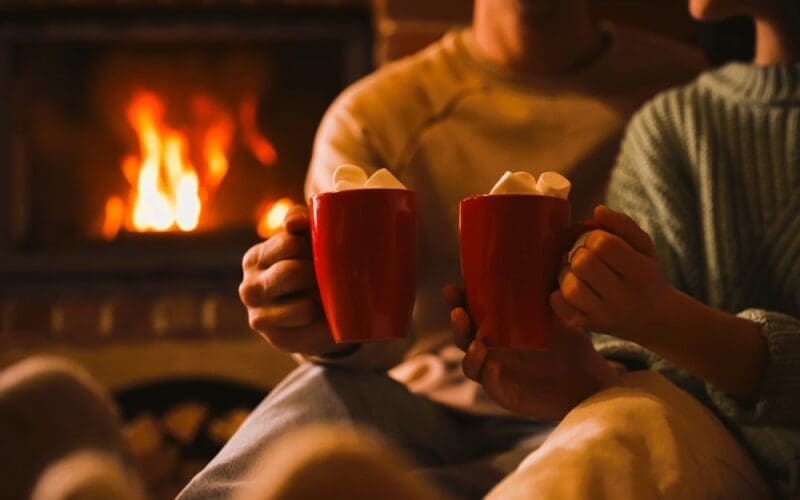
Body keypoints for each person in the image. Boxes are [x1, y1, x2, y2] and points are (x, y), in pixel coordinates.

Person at [179, 1, 705, 497]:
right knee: (306, 404)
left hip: (599, 400)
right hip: (418, 402)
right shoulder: (376, 114)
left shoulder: (682, 97)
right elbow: (364, 342)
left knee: (604, 442)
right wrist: (315, 319)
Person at [446, 0, 800, 497]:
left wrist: (662, 318)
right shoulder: (678, 126)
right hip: (698, 456)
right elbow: (649, 386)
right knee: (620, 424)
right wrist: (589, 374)